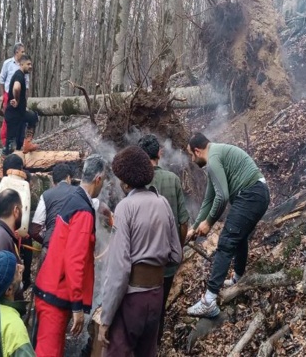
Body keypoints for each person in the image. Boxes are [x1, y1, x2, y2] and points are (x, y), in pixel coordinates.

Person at [98, 146, 183, 357]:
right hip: (156, 294)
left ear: (126, 183)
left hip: (132, 298)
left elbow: (119, 270)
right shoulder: (162, 203)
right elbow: (176, 254)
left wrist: (105, 319)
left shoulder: (125, 207)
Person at [184, 134, 270, 318]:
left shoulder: (213, 159)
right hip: (257, 193)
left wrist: (209, 222)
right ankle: (238, 278)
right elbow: (209, 199)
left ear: (197, 151)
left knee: (226, 241)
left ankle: (208, 301)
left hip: (251, 194)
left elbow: (222, 197)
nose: (192, 160)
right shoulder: (216, 155)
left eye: (191, 155)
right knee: (239, 238)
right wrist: (195, 226)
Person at [33, 155, 107, 357]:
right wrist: (77, 306)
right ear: (98, 179)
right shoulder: (83, 211)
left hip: (50, 287)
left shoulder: (75, 198)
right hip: (56, 295)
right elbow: (75, 260)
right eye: (104, 181)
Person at [137, 134, 190, 342]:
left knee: (140, 304)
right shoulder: (172, 179)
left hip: (142, 261)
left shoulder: (136, 182)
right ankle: (155, 341)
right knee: (160, 304)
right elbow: (183, 222)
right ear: (159, 153)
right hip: (167, 259)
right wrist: (179, 247)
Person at [30, 163, 76, 253]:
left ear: (54, 182)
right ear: (68, 178)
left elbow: (35, 230)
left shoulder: (46, 195)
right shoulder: (79, 192)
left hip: (50, 247)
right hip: (73, 247)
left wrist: (46, 241)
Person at [3, 54, 39, 155]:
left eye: (31, 64)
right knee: (10, 145)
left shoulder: (21, 75)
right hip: (13, 115)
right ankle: (3, 163)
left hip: (20, 113)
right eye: (28, 64)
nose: (30, 66)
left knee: (33, 117)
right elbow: (16, 88)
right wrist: (17, 100)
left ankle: (27, 143)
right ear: (21, 64)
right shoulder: (19, 75)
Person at [0, 43, 29, 147]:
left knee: (21, 120)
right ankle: (6, 145)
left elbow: (27, 84)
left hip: (21, 97)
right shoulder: (8, 63)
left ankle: (19, 144)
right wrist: (2, 95)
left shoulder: (25, 64)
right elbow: (1, 80)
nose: (24, 53)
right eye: (22, 51)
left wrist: (25, 100)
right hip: (9, 95)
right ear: (17, 52)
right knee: (8, 121)